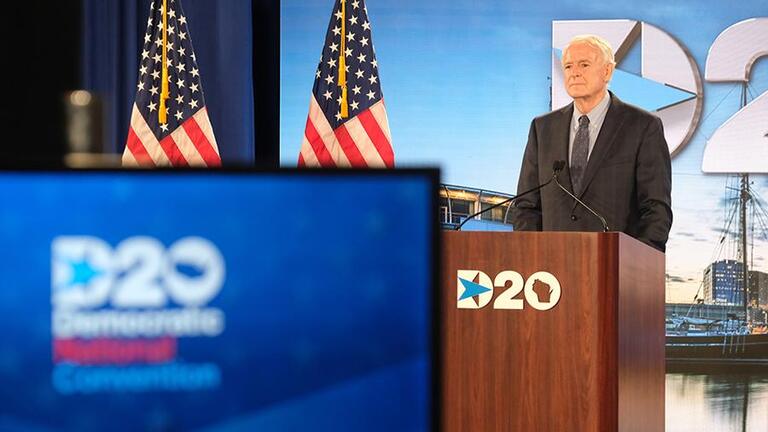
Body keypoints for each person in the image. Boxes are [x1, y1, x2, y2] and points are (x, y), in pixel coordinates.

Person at [511, 34, 672, 252]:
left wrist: (637, 260)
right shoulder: (542, 128)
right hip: (550, 264)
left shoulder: (643, 126)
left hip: (615, 263)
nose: (574, 72)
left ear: (607, 71)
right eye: (568, 66)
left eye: (584, 64)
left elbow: (655, 209)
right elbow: (526, 206)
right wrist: (530, 254)